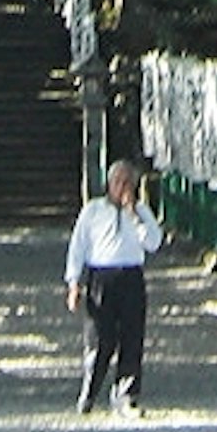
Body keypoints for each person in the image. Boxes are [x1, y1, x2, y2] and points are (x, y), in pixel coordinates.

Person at [64, 155, 164, 416]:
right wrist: (74, 282)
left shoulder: (141, 212)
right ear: (109, 184)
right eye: (118, 182)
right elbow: (78, 246)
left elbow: (153, 242)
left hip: (130, 277)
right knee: (100, 338)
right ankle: (90, 392)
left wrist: (133, 215)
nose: (122, 187)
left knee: (131, 337)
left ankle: (126, 395)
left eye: (127, 182)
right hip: (101, 277)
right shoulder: (93, 211)